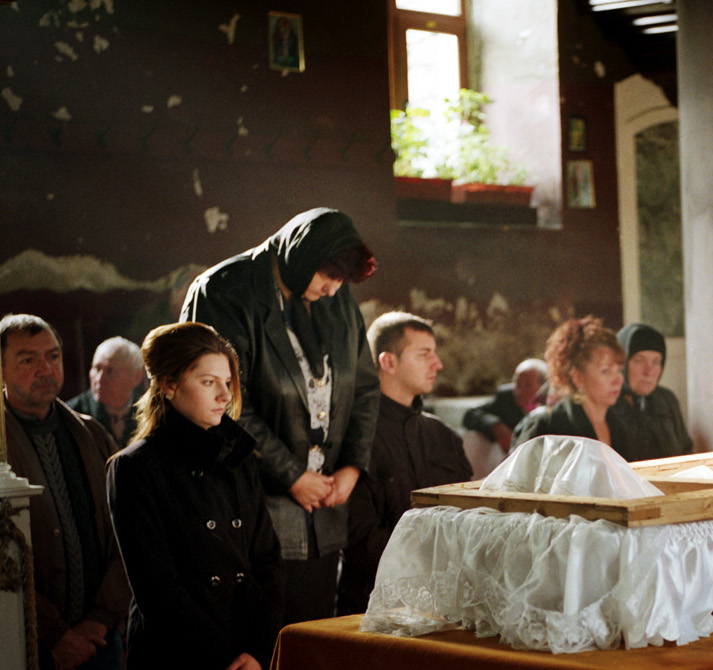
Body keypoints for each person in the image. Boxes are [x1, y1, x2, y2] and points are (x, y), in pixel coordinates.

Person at [106, 322, 282, 670]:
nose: (225, 394)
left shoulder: (238, 458)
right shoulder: (135, 469)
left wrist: (256, 658)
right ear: (167, 386)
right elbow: (159, 590)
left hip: (239, 667)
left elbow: (268, 565)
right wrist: (232, 666)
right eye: (208, 382)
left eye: (227, 381)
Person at [180, 207, 379, 624]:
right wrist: (290, 475)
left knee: (310, 643)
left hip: (322, 511)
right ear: (301, 257)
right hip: (250, 510)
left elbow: (363, 387)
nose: (332, 289)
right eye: (327, 276)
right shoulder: (224, 290)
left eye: (341, 281)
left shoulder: (336, 297)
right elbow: (224, 399)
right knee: (258, 647)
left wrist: (352, 466)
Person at [1, 314, 132, 670]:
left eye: (52, 357)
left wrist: (99, 620)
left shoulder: (91, 434)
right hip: (29, 645)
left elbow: (129, 535)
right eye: (27, 359)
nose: (45, 369)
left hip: (97, 639)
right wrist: (55, 633)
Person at [338, 312, 473, 615]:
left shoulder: (445, 437)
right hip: (371, 605)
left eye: (435, 354)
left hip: (443, 605)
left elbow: (469, 519)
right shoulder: (356, 436)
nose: (437, 364)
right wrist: (429, 565)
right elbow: (358, 536)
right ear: (388, 362)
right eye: (424, 354)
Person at [511, 316, 639, 458]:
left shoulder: (620, 425)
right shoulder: (548, 427)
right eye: (606, 371)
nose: (619, 380)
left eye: (619, 370)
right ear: (577, 377)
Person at [616, 322, 692, 460]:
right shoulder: (606, 402)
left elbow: (685, 451)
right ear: (622, 364)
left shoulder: (666, 399)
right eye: (639, 361)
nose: (649, 372)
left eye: (656, 362)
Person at [68, 336, 146, 451]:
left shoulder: (149, 414)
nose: (99, 379)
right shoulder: (71, 415)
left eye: (110, 371)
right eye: (97, 368)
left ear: (137, 377)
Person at [463, 357, 547, 454]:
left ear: (543, 387)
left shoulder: (552, 406)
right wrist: (497, 427)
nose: (520, 391)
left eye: (528, 385)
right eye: (518, 384)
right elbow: (470, 415)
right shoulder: (506, 398)